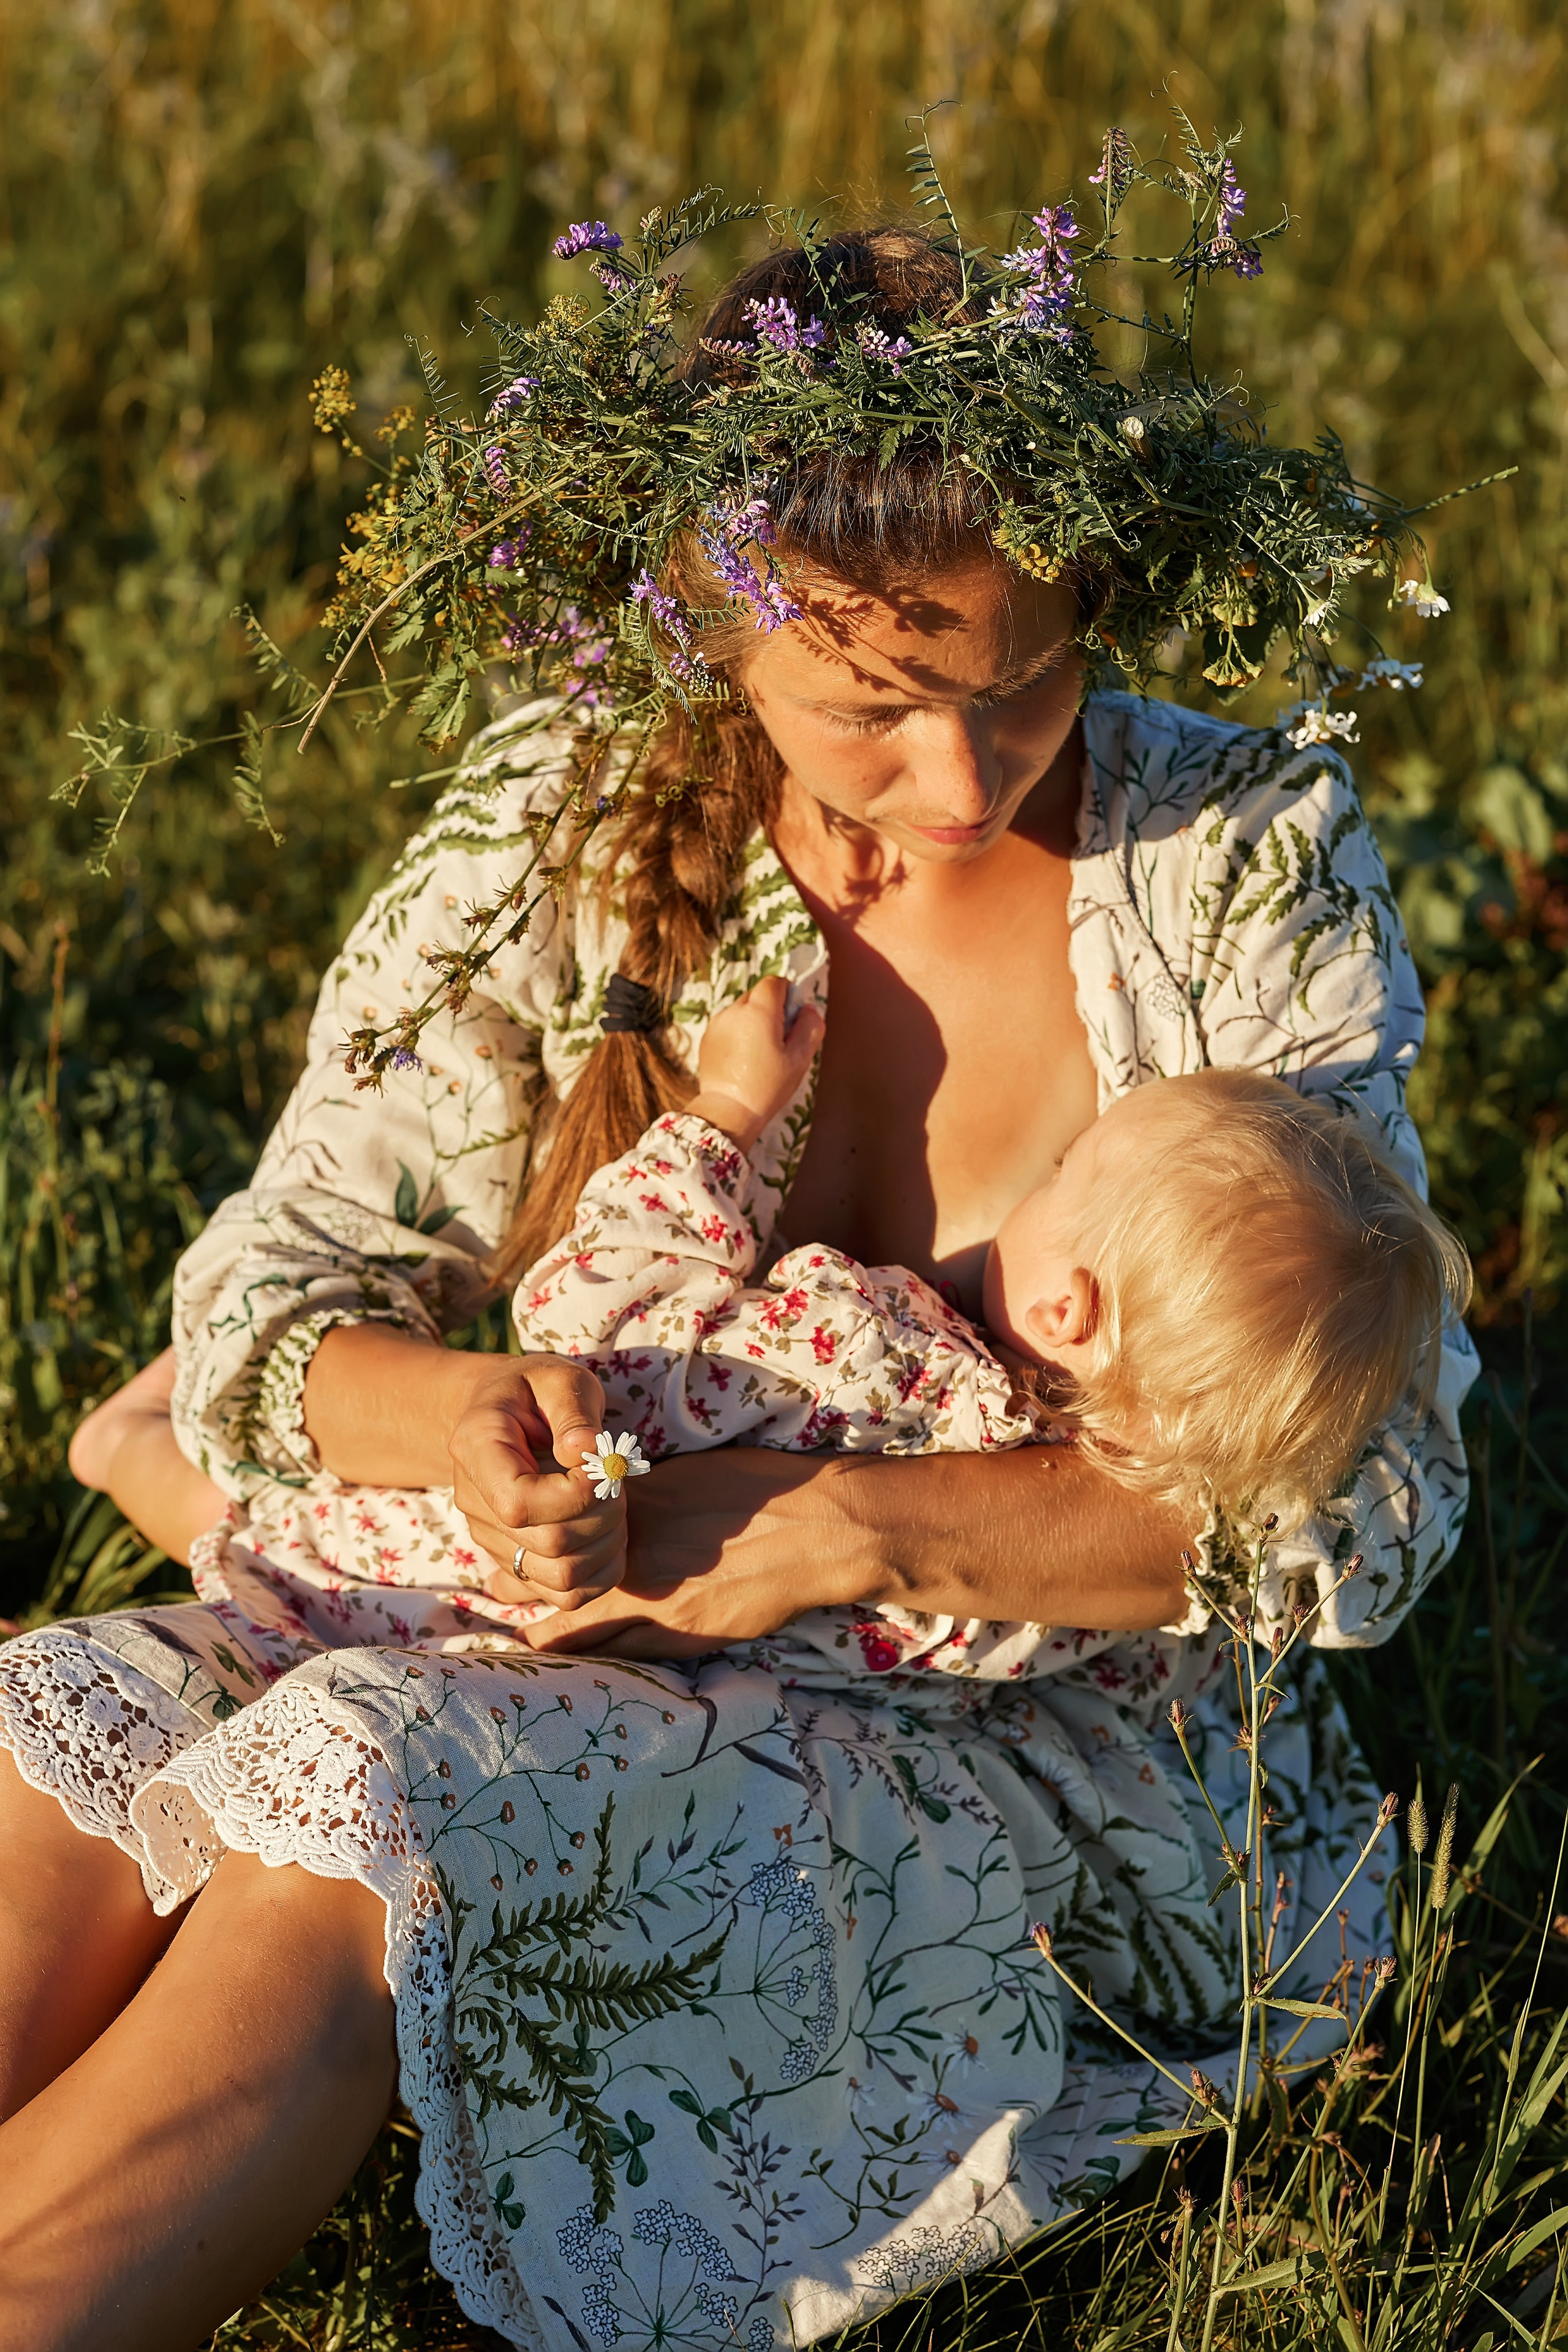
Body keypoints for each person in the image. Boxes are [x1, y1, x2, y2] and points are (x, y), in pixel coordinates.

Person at [0, 217, 1476, 2352]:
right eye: (874, 710)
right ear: (716, 631)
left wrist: (843, 1529)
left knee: (359, 1823)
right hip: (525, 1602)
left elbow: (1380, 1494)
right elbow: (267, 1298)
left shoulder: (1232, 858)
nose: (966, 784)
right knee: (63, 1743)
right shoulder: (557, 823)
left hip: (1033, 1741)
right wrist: (469, 1435)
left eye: (1029, 683)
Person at [78, 983, 1469, 1689]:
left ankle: (117, 1437)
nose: (1027, 1185)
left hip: (437, 1562)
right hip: (533, 1671)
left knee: (244, 1526)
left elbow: (591, 1316)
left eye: (1058, 1180)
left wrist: (722, 1125)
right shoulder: (1045, 1606)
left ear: (1066, 1308)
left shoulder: (859, 1342)